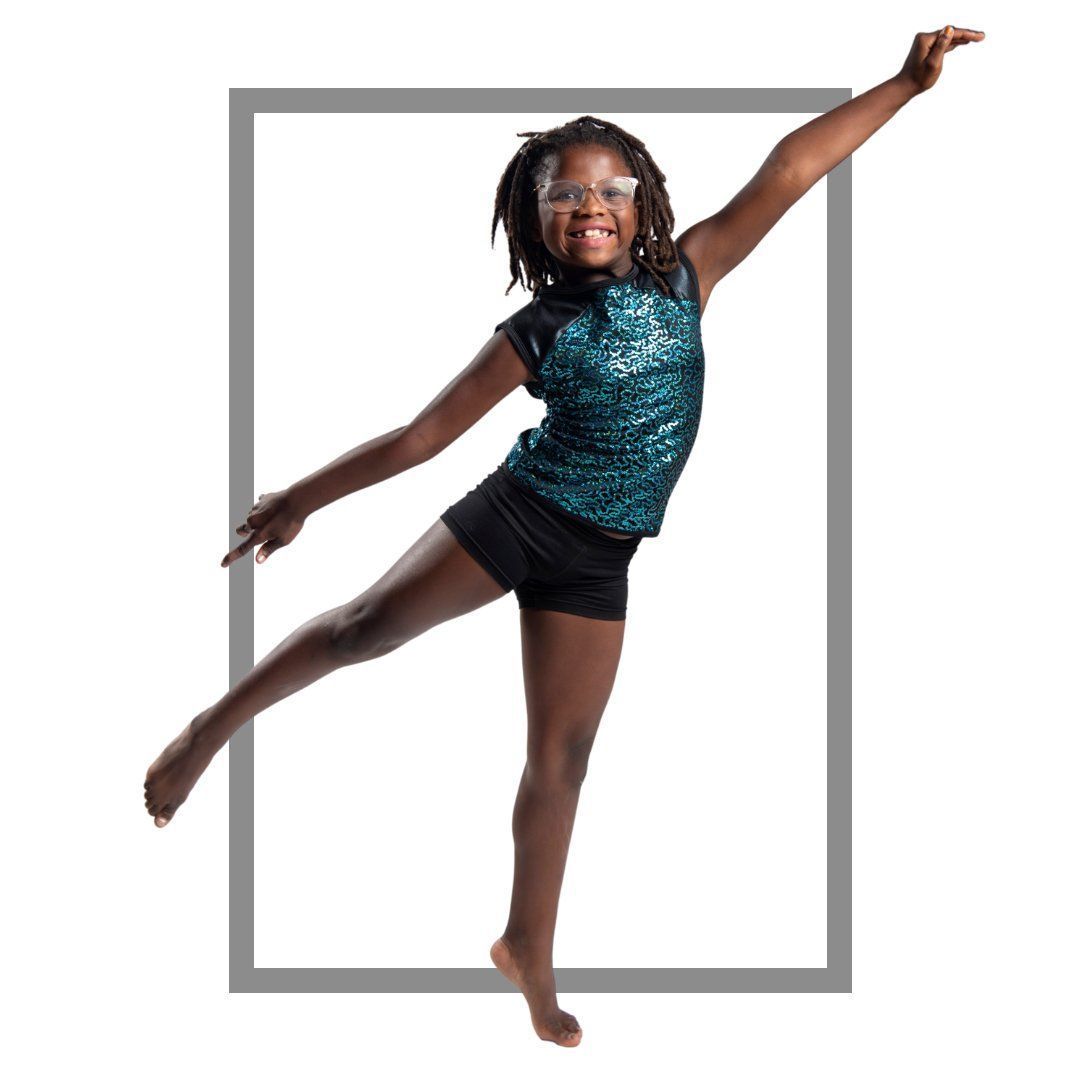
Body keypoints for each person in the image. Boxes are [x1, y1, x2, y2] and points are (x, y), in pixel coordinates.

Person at [145, 25, 984, 1047]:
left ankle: (526, 947)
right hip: (518, 516)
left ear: (643, 203)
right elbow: (422, 436)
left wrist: (903, 85)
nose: (590, 204)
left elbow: (790, 169)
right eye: (565, 194)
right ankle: (208, 731)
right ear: (536, 219)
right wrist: (302, 498)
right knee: (364, 628)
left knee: (563, 756)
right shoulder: (537, 330)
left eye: (609, 189)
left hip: (600, 556)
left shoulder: (690, 275)